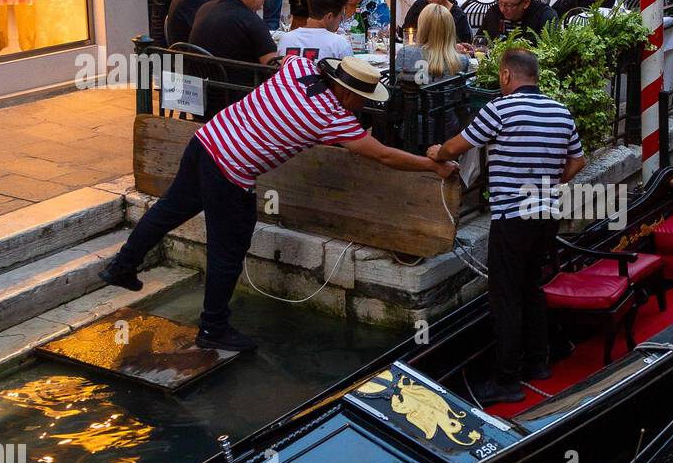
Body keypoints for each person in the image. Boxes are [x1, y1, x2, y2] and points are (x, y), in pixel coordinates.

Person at [101, 55, 456, 352]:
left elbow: (280, 59)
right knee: (229, 248)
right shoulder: (332, 117)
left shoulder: (299, 68)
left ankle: (122, 266)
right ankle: (213, 329)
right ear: (348, 95)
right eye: (363, 99)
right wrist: (432, 166)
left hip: (206, 141)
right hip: (230, 171)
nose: (365, 106)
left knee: (169, 211)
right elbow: (384, 157)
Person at [426, 48, 584, 404]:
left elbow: (458, 145)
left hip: (512, 215)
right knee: (531, 286)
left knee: (507, 295)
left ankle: (506, 380)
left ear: (507, 76)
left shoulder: (500, 109)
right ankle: (538, 364)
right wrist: (551, 183)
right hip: (545, 214)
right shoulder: (560, 112)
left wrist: (437, 153)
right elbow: (578, 160)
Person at [187, 0, 280, 64]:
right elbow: (272, 65)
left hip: (198, 76)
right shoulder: (251, 21)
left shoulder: (205, 8)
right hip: (233, 79)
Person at [395, 3, 472, 81]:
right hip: (445, 92)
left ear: (422, 28)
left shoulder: (405, 53)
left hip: (412, 92)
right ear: (450, 29)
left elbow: (396, 84)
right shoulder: (462, 61)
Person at [276, 0, 352, 61]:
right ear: (329, 16)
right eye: (341, 14)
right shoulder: (339, 44)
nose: (342, 18)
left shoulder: (285, 39)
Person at [480, 0, 559, 41]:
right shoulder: (494, 13)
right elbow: (481, 39)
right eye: (500, 2)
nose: (502, 9)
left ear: (526, 3)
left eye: (509, 5)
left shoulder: (544, 17)